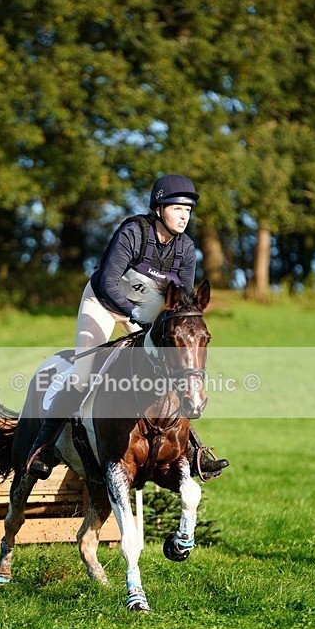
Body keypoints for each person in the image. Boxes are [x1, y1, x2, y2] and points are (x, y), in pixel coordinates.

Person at [27, 174, 228, 479]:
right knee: (85, 372)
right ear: (159, 209)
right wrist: (134, 315)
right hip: (104, 302)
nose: (185, 216)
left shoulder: (185, 248)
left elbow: (183, 304)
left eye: (188, 210)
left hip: (146, 314)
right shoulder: (133, 232)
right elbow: (108, 282)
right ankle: (42, 446)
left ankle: (192, 449)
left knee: (169, 372)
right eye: (177, 208)